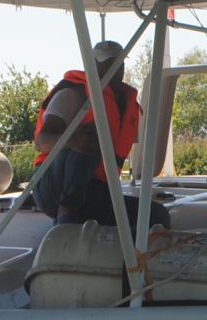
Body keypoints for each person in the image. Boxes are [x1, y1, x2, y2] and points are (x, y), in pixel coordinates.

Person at [30, 40, 168, 229]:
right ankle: (66, 218)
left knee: (157, 216)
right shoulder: (73, 94)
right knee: (95, 133)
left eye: (119, 62)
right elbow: (42, 142)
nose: (115, 67)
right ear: (92, 65)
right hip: (52, 187)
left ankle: (133, 255)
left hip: (96, 188)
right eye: (107, 62)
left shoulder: (126, 105)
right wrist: (74, 141)